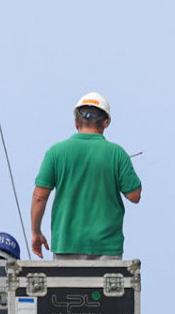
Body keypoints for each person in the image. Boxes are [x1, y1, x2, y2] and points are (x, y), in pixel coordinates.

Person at [31, 92, 142, 259]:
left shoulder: (56, 152)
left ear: (76, 122)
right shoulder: (117, 153)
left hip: (66, 246)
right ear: (105, 122)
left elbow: (39, 197)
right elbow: (134, 196)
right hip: (107, 248)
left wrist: (36, 232)